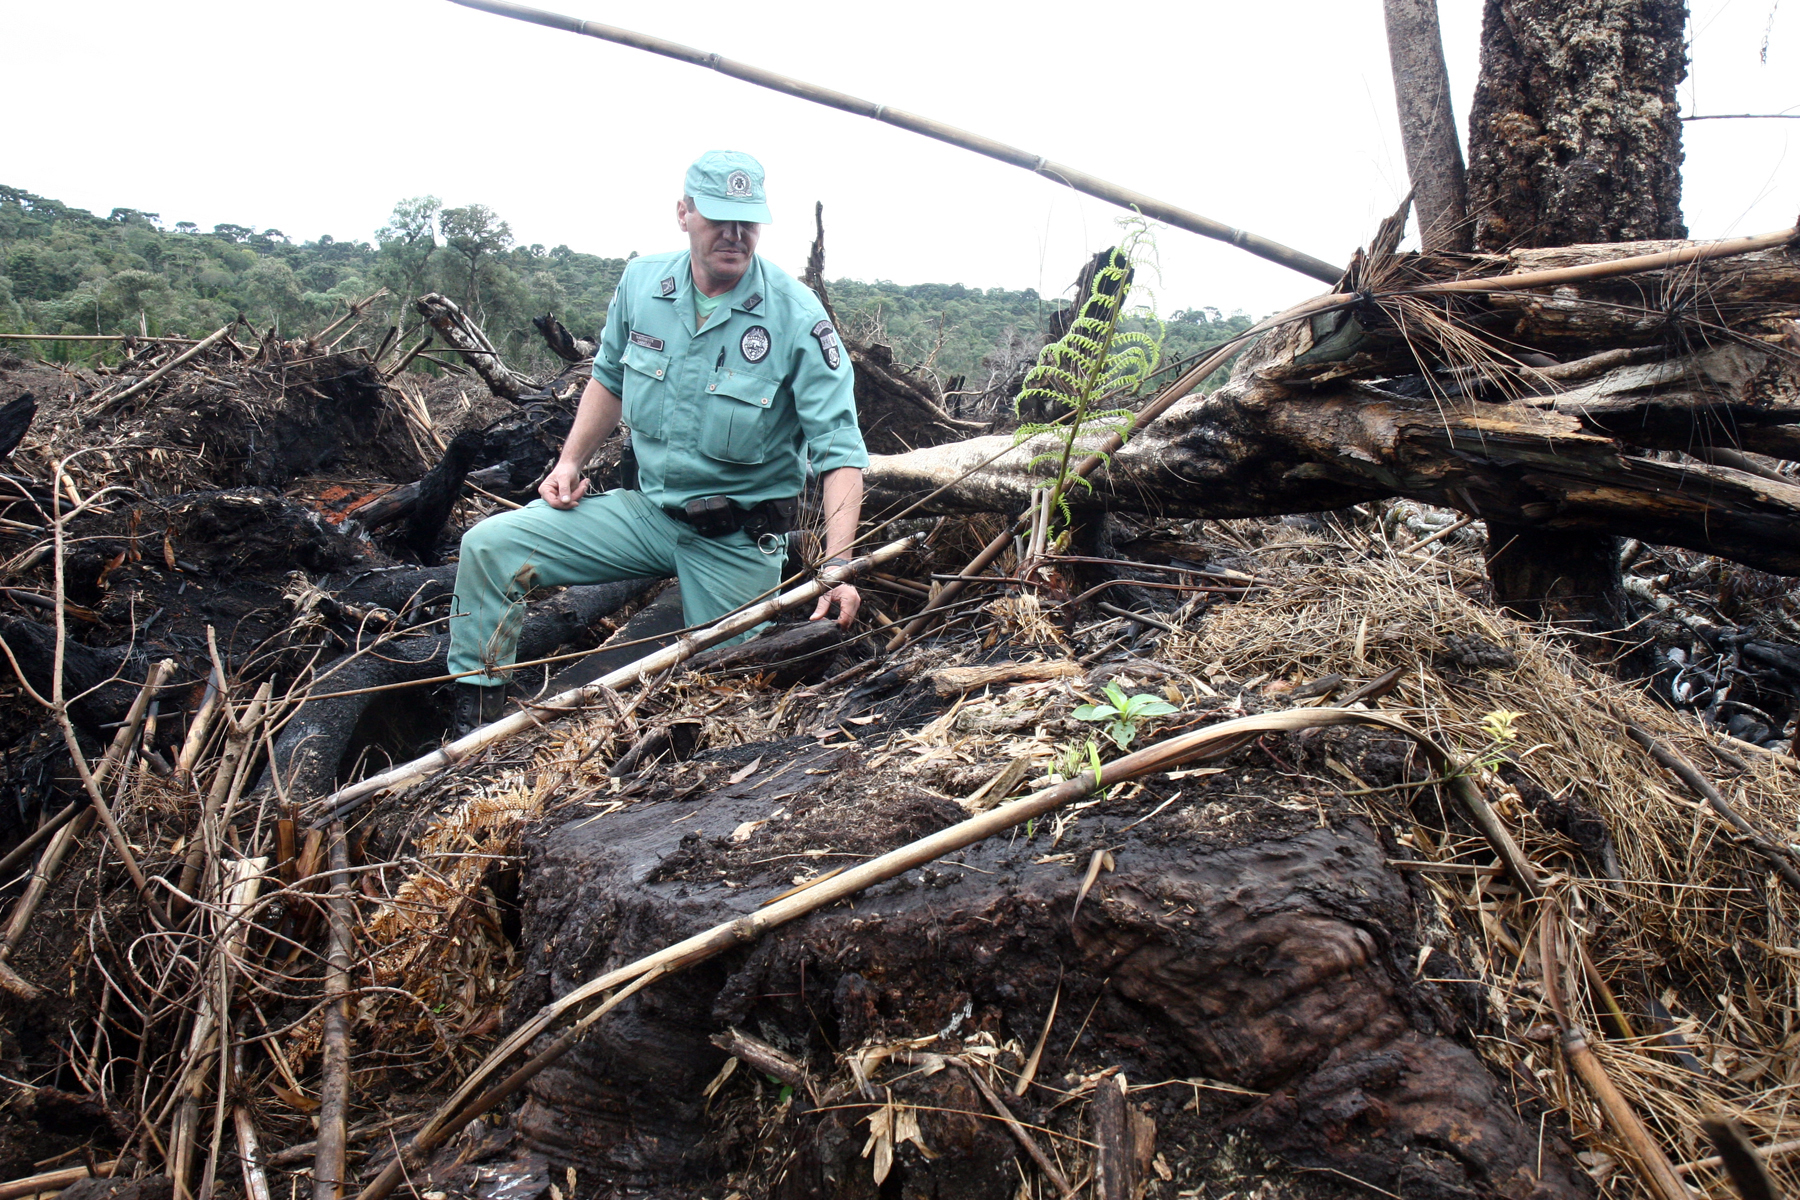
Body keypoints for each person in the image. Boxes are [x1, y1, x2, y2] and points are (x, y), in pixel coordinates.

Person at [446, 151, 868, 736]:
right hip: (648, 512)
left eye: (748, 221)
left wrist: (839, 565)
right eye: (719, 217)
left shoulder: (796, 317)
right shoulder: (644, 284)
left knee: (727, 697)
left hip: (736, 540)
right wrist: (570, 462)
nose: (735, 234)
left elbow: (839, 453)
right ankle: (475, 717)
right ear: (684, 213)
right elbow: (609, 379)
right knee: (489, 548)